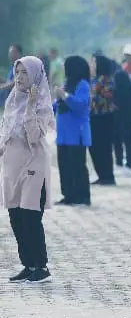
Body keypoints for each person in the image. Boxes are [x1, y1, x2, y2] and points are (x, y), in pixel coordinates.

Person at [0, 56, 56, 283]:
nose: (19, 77)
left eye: (25, 73)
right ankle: (28, 264)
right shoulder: (12, 99)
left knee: (30, 216)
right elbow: (6, 130)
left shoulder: (42, 104)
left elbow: (33, 136)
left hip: (33, 165)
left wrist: (31, 105)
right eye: (17, 72)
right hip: (11, 166)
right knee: (15, 216)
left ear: (35, 76)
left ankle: (41, 267)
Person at [54, 56, 92, 206]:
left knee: (77, 165)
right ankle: (68, 195)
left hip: (77, 133)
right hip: (63, 133)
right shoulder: (66, 84)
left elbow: (80, 105)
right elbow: (57, 104)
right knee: (64, 165)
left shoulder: (83, 85)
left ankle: (83, 196)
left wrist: (65, 95)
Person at [89, 54, 117, 186]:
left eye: (94, 63)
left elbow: (107, 97)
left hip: (104, 117)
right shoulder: (93, 80)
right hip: (93, 116)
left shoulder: (106, 80)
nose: (91, 65)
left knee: (104, 148)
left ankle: (108, 176)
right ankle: (101, 175)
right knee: (94, 148)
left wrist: (93, 96)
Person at [113, 58, 131, 176]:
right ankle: (119, 163)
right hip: (119, 116)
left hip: (129, 116)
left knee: (127, 139)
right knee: (117, 139)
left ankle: (129, 165)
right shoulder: (118, 90)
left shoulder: (129, 96)